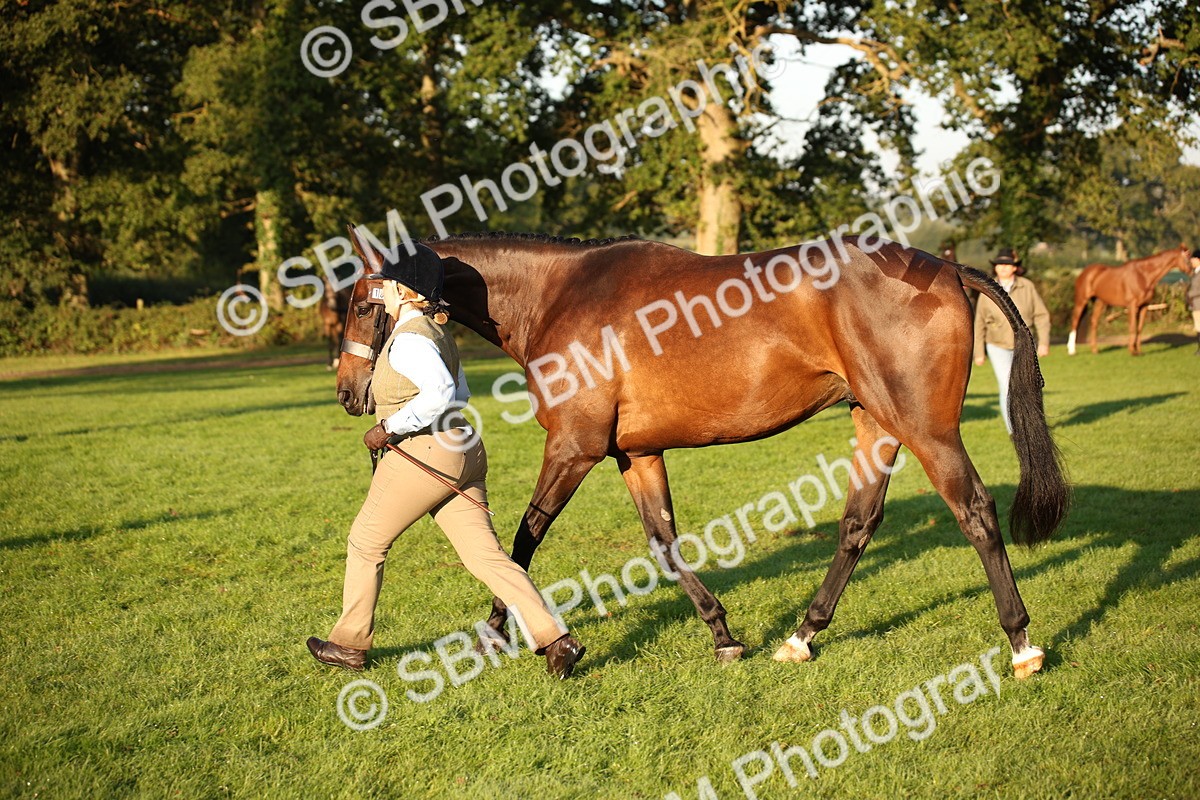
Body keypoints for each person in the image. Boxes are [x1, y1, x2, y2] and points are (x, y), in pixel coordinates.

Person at [307, 243, 585, 678]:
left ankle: (348, 644)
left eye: (389, 283)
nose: (383, 290)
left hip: (425, 455)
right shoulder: (436, 333)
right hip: (463, 450)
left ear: (404, 290)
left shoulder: (407, 341)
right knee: (485, 556)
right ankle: (555, 638)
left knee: (365, 542)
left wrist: (388, 427)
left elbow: (439, 395)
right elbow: (461, 393)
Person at [973, 247, 1051, 433]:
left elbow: (1041, 315)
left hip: (1024, 345)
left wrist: (1044, 342)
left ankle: (1033, 424)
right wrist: (979, 352)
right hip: (997, 345)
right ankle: (1014, 430)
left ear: (1015, 267)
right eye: (1000, 264)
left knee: (1029, 385)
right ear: (995, 267)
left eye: (1007, 264)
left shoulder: (1027, 286)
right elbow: (979, 321)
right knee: (1007, 386)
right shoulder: (988, 288)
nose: (1003, 267)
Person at [1189, 249, 1200, 355]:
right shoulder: (1195, 272)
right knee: (1198, 327)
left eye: (1193, 259)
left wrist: (1190, 294)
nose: (1191, 261)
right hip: (1195, 304)